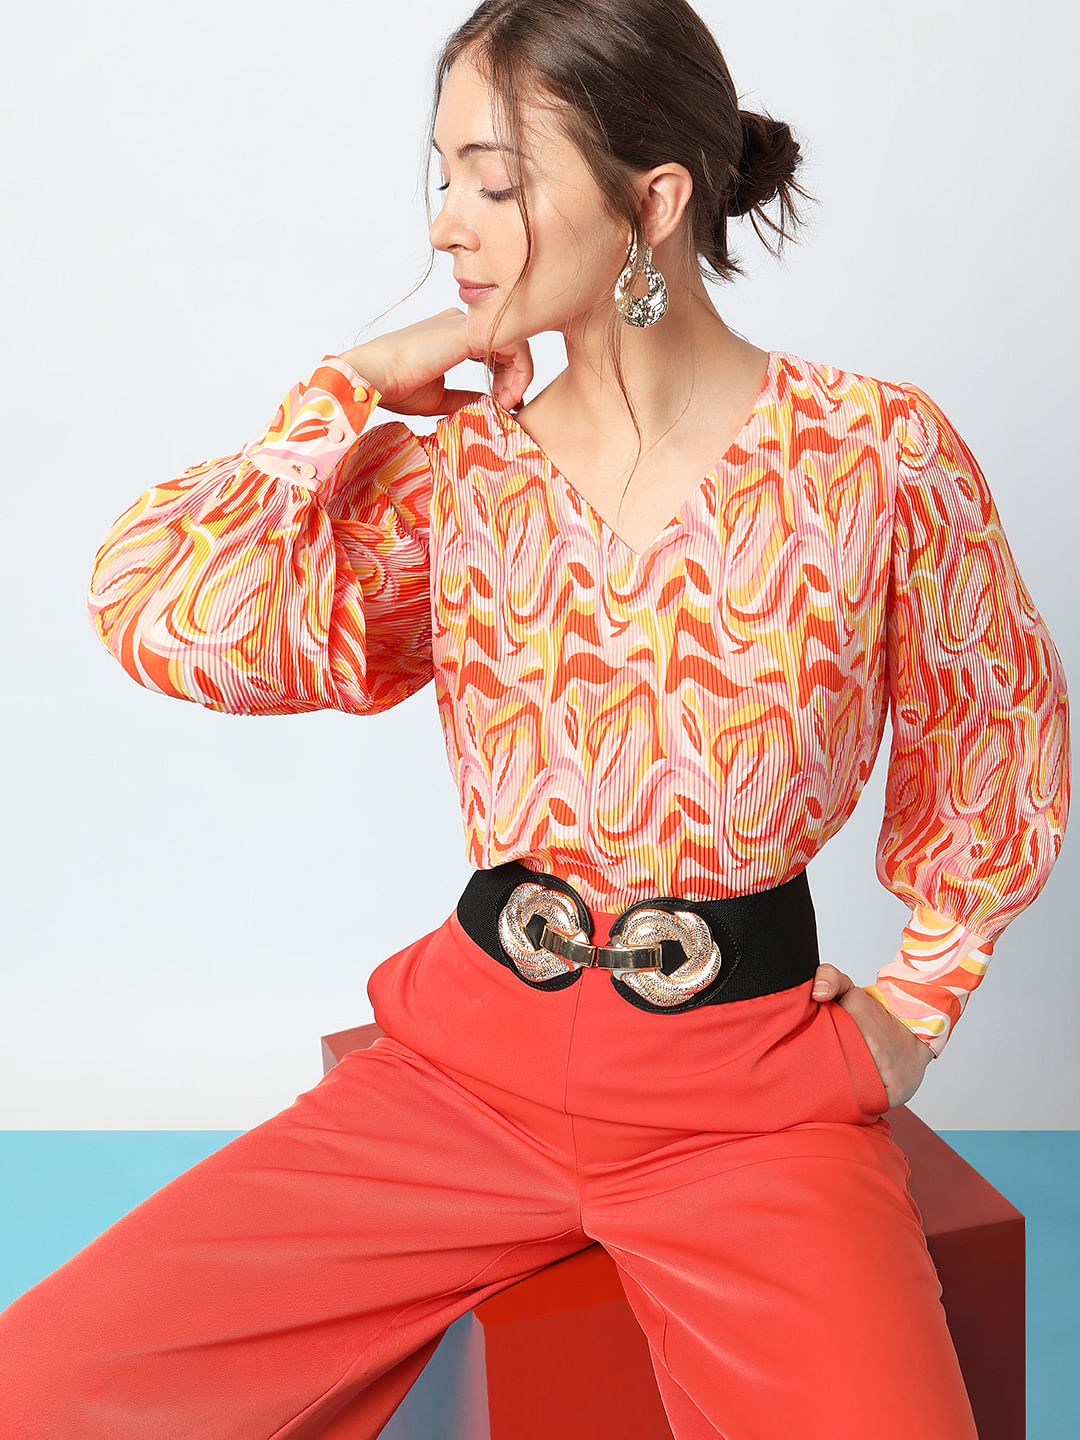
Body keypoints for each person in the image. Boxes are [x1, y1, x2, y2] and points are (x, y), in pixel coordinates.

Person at [0, 1, 1069, 1436]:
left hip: (752, 1111)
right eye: (440, 176)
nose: (447, 224)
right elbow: (165, 612)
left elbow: (996, 728)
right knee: (36, 1386)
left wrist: (921, 1000)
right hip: (460, 1078)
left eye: (495, 182)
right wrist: (341, 393)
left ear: (655, 202)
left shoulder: (874, 456)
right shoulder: (460, 478)